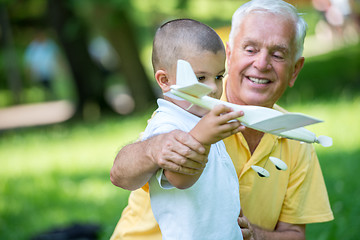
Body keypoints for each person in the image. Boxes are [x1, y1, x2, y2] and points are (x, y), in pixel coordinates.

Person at [110, 0, 334, 239]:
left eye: (278, 54)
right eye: (250, 49)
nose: (261, 64)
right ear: (229, 55)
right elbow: (120, 174)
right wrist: (154, 149)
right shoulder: (191, 107)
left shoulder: (294, 135)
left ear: (295, 70)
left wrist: (254, 235)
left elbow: (294, 235)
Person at [139, 19, 244, 239]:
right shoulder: (166, 125)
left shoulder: (198, 117)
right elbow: (180, 179)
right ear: (165, 80)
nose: (214, 88)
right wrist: (203, 138)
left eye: (218, 77)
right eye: (200, 78)